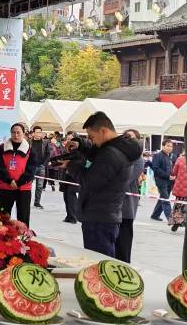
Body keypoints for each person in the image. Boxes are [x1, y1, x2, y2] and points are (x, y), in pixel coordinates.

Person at [76, 112, 141, 257]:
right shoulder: (115, 149)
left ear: (103, 131)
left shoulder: (111, 154)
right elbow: (95, 153)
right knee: (101, 260)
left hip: (99, 216)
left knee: (99, 262)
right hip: (104, 214)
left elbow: (90, 181)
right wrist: (81, 145)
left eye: (92, 137)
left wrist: (72, 166)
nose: (92, 142)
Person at [0, 123, 36, 226]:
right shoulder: (2, 148)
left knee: (23, 217)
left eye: (18, 132)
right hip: (6, 187)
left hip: (23, 188)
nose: (16, 135)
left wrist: (19, 182)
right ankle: (3, 235)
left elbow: (31, 169)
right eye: (13, 132)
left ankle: (23, 235)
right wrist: (9, 180)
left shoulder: (30, 150)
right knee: (4, 216)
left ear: (23, 134)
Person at [117, 129, 145, 262]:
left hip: (127, 206)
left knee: (123, 243)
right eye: (125, 137)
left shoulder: (138, 159)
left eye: (131, 137)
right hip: (114, 206)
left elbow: (125, 179)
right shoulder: (119, 156)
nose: (128, 140)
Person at [55, 135, 85, 223]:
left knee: (71, 197)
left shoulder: (81, 152)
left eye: (71, 139)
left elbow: (84, 163)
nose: (69, 141)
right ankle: (69, 216)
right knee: (66, 196)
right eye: (67, 139)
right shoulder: (67, 150)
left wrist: (71, 163)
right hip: (66, 176)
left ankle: (73, 217)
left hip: (74, 177)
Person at [149, 140, 175, 222]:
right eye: (168, 146)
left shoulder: (169, 156)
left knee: (163, 198)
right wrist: (168, 176)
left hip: (169, 181)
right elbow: (156, 169)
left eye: (171, 146)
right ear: (163, 146)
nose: (169, 148)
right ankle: (170, 219)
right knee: (166, 199)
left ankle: (155, 215)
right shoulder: (158, 155)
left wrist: (172, 176)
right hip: (161, 180)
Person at [30, 126, 51, 209]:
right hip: (31, 167)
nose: (38, 134)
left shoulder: (45, 142)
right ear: (33, 133)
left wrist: (44, 164)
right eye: (37, 132)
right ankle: (26, 201)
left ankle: (37, 202)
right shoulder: (29, 142)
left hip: (41, 166)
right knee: (28, 184)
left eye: (40, 132)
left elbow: (48, 154)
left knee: (40, 185)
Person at [169, 151, 187, 234]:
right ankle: (186, 223)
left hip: (180, 187)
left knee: (178, 206)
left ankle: (176, 222)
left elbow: (174, 172)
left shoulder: (180, 159)